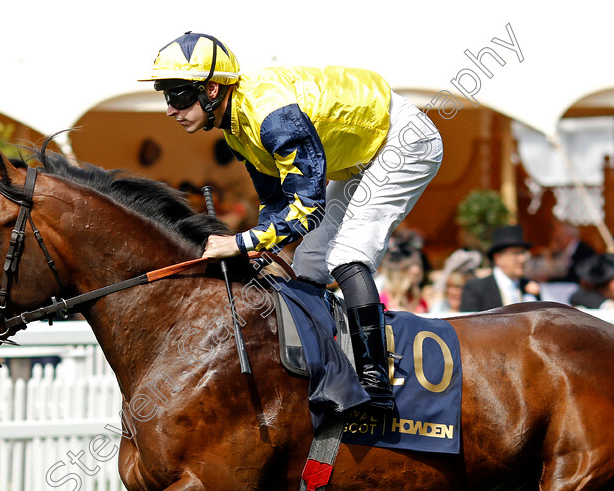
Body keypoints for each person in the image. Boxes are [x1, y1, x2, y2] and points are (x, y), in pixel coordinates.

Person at [141, 32, 444, 409]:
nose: (170, 109)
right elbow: (275, 201)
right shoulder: (235, 126)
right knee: (309, 261)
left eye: (178, 94)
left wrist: (241, 243)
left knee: (347, 254)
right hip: (359, 158)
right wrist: (259, 250)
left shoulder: (272, 117)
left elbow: (308, 208)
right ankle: (325, 364)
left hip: (402, 141)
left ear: (214, 89)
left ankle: (375, 379)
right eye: (166, 95)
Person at [459, 225, 540, 312]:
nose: (522, 259)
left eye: (523, 253)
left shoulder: (530, 286)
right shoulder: (476, 289)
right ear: (498, 258)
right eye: (515, 253)